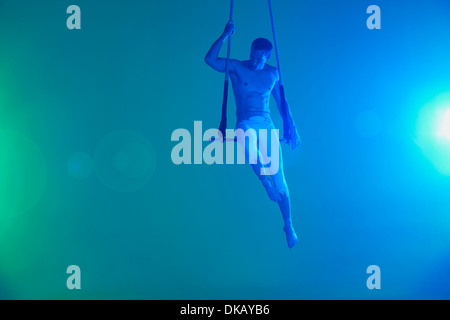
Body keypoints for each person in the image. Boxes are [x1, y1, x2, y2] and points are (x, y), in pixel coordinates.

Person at [205, 21, 301, 248]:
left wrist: (292, 127)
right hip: (245, 121)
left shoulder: (273, 74)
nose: (256, 61)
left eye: (261, 58)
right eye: (253, 56)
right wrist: (225, 35)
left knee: (281, 180)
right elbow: (210, 60)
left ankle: (288, 223)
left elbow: (282, 103)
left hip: (266, 123)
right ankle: (264, 183)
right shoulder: (237, 67)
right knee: (244, 138)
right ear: (250, 52)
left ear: (267, 56)